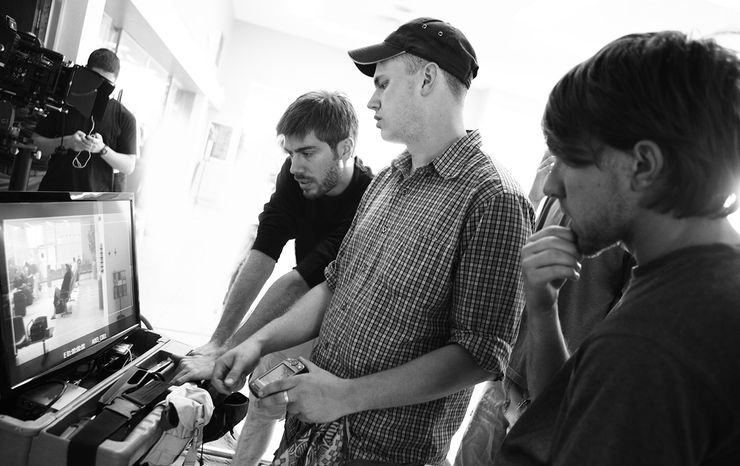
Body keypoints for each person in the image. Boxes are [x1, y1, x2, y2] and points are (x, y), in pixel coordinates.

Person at [211, 18, 534, 465]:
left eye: (382, 83)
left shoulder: (494, 198)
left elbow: (480, 355)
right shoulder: (386, 182)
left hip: (380, 452)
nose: (371, 100)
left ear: (427, 78)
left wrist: (346, 396)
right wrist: (257, 343)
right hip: (309, 434)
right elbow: (333, 285)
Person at [497, 31, 740, 465]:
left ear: (643, 165)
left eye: (569, 159)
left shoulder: (655, 342)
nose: (551, 186)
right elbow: (570, 414)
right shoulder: (692, 283)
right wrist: (542, 309)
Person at [170, 90, 373, 465]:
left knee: (299, 412)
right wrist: (218, 343)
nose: (295, 166)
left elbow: (300, 280)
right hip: (303, 309)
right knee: (263, 392)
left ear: (344, 148)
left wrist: (234, 347)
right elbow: (264, 252)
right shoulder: (295, 176)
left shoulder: (368, 198)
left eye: (308, 153)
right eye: (290, 153)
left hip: (344, 326)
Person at [454, 153, 633, 466]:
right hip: (505, 380)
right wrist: (533, 200)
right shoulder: (553, 195)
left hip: (557, 396)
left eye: (573, 154)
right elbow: (523, 268)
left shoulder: (625, 229)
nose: (554, 181)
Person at [33, 48, 137, 192]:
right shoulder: (65, 101)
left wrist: (102, 149)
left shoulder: (124, 117)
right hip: (53, 192)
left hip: (93, 203)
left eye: (107, 85)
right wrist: (66, 142)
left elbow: (129, 166)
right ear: (86, 71)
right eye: (95, 81)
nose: (100, 89)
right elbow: (36, 141)